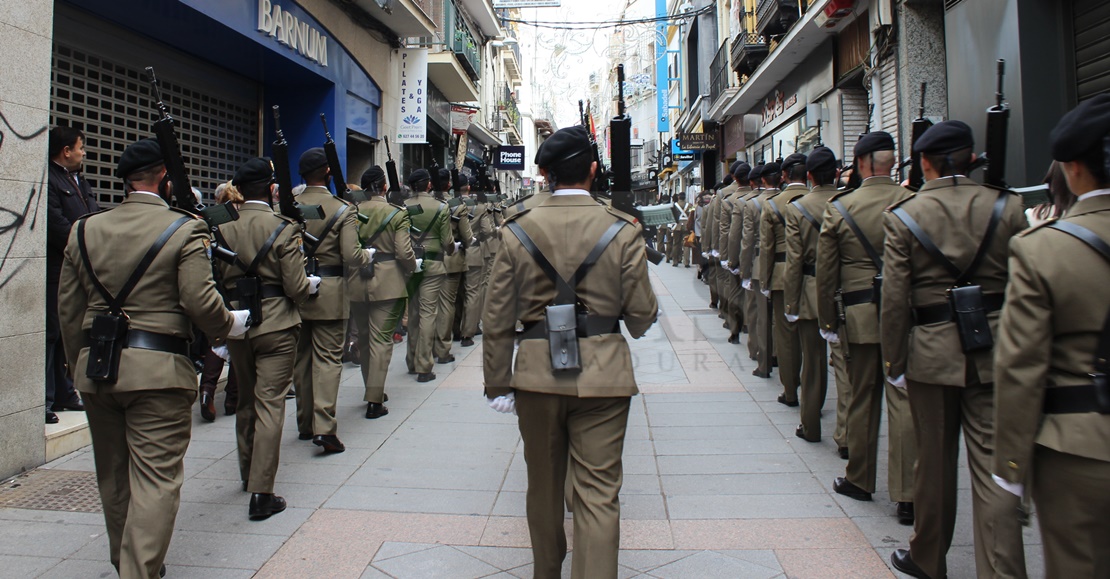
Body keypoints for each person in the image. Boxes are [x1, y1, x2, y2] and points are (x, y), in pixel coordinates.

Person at [59, 138, 249, 577]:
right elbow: (200, 303)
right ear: (164, 178)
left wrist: (78, 368)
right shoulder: (185, 229)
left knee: (113, 476)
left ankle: (124, 560)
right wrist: (230, 325)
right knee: (156, 478)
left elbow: (68, 311)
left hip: (98, 369)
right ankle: (138, 570)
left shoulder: (84, 228)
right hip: (159, 371)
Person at [483, 126, 658, 579]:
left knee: (542, 487)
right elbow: (641, 317)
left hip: (537, 376)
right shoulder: (622, 228)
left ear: (544, 174)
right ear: (593, 170)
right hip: (605, 375)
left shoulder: (516, 228)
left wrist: (497, 383)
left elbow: (497, 314)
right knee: (599, 494)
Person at [882, 121, 1028, 579]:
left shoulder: (905, 215)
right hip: (995, 349)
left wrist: (895, 362)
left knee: (934, 463)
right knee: (995, 469)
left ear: (924, 163)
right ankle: (1003, 571)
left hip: (931, 352)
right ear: (971, 158)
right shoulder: (1009, 207)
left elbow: (894, 300)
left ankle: (929, 557)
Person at [992, 94, 1110, 577]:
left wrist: (1011, 470)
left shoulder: (1043, 250)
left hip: (1077, 448)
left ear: (1073, 168)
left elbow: (1020, 368)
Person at [814, 133, 916, 524]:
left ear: (859, 163)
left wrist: (828, 321)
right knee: (902, 400)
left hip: (859, 317)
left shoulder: (842, 207)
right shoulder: (913, 202)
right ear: (892, 162)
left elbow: (827, 274)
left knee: (860, 395)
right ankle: (906, 493)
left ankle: (860, 477)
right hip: (905, 317)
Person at [216, 157, 314, 520]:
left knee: (244, 399)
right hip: (276, 322)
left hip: (239, 321)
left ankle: (247, 473)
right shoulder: (283, 227)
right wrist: (308, 288)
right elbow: (295, 286)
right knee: (270, 402)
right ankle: (262, 491)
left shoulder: (222, 227)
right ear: (271, 188)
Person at [291, 148, 372, 453]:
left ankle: (304, 422)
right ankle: (324, 427)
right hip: (331, 288)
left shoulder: (287, 206)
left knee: (301, 359)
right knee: (327, 359)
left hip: (297, 289)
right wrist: (367, 255)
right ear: (328, 171)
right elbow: (351, 255)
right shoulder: (342, 209)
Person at [350, 166, 418, 418]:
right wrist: (412, 268)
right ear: (384, 187)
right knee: (381, 341)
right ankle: (374, 399)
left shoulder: (352, 212)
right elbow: (403, 251)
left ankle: (371, 388)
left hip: (357, 279)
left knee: (365, 339)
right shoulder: (397, 213)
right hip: (389, 281)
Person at [47, 126, 99, 424]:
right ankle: (47, 398)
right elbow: (57, 224)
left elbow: (93, 213)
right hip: (59, 267)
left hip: (80, 267)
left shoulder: (78, 179)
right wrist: (84, 244)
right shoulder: (51, 179)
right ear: (66, 150)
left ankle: (66, 392)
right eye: (80, 147)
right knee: (53, 332)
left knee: (68, 331)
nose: (83, 153)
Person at [784, 150, 837, 444]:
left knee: (813, 362)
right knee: (847, 368)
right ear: (837, 174)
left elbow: (794, 261)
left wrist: (791, 303)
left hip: (811, 290)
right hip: (848, 294)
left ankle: (811, 425)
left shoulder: (799, 208)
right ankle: (846, 437)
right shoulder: (847, 203)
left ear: (809, 176)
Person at [404, 168, 456, 382]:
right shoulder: (440, 207)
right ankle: (424, 365)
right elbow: (447, 242)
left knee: (413, 312)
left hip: (409, 265)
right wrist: (452, 249)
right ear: (427, 184)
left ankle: (411, 359)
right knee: (427, 313)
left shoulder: (402, 207)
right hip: (433, 265)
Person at [759, 161, 804, 403]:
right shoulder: (830, 202)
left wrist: (764, 281)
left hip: (781, 274)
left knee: (786, 336)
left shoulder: (773, 205)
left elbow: (767, 248)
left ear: (785, 175)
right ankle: (814, 399)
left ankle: (790, 390)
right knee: (814, 345)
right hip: (815, 277)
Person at [433, 169, 471, 365]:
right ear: (448, 184)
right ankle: (443, 349)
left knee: (426, 307)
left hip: (428, 260)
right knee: (448, 304)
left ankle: (423, 350)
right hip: (452, 259)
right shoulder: (457, 205)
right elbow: (467, 236)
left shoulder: (423, 204)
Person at [740, 164, 774, 376]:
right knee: (780, 317)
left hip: (760, 263)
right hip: (788, 265)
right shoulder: (792, 201)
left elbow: (746, 239)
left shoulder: (753, 204)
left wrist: (744, 270)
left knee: (760, 314)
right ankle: (779, 354)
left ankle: (762, 358)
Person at [460, 176, 495, 346]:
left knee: (454, 296)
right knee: (473, 292)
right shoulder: (480, 207)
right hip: (474, 250)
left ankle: (453, 330)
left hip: (453, 253)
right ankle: (468, 332)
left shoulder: (449, 204)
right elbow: (487, 230)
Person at [718, 162, 749, 343]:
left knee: (735, 290)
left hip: (734, 251)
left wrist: (725, 255)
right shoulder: (759, 197)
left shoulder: (725, 197)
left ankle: (735, 329)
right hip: (754, 253)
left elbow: (725, 230)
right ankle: (748, 326)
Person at [670, 192, 693, 267]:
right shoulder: (689, 205)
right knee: (686, 244)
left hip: (677, 225)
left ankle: (675, 261)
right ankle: (686, 262)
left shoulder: (674, 205)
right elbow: (692, 215)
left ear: (679, 197)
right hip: (686, 226)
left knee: (676, 244)